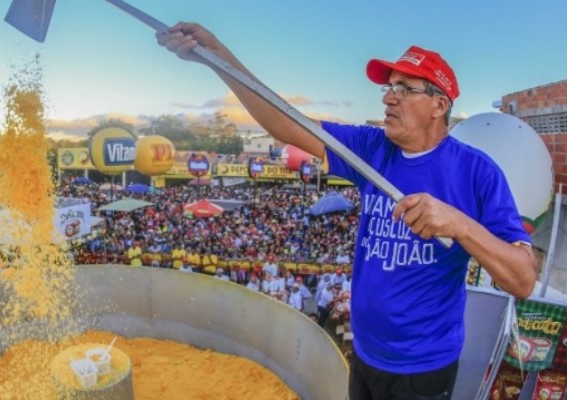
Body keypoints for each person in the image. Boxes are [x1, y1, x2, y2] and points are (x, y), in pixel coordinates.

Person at [158, 27, 536, 399]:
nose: (389, 98)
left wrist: (460, 225)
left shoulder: (478, 172)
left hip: (423, 367)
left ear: (440, 105)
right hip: (365, 352)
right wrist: (216, 56)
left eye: (405, 89)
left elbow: (522, 279)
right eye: (388, 87)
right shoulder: (372, 147)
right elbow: (286, 122)